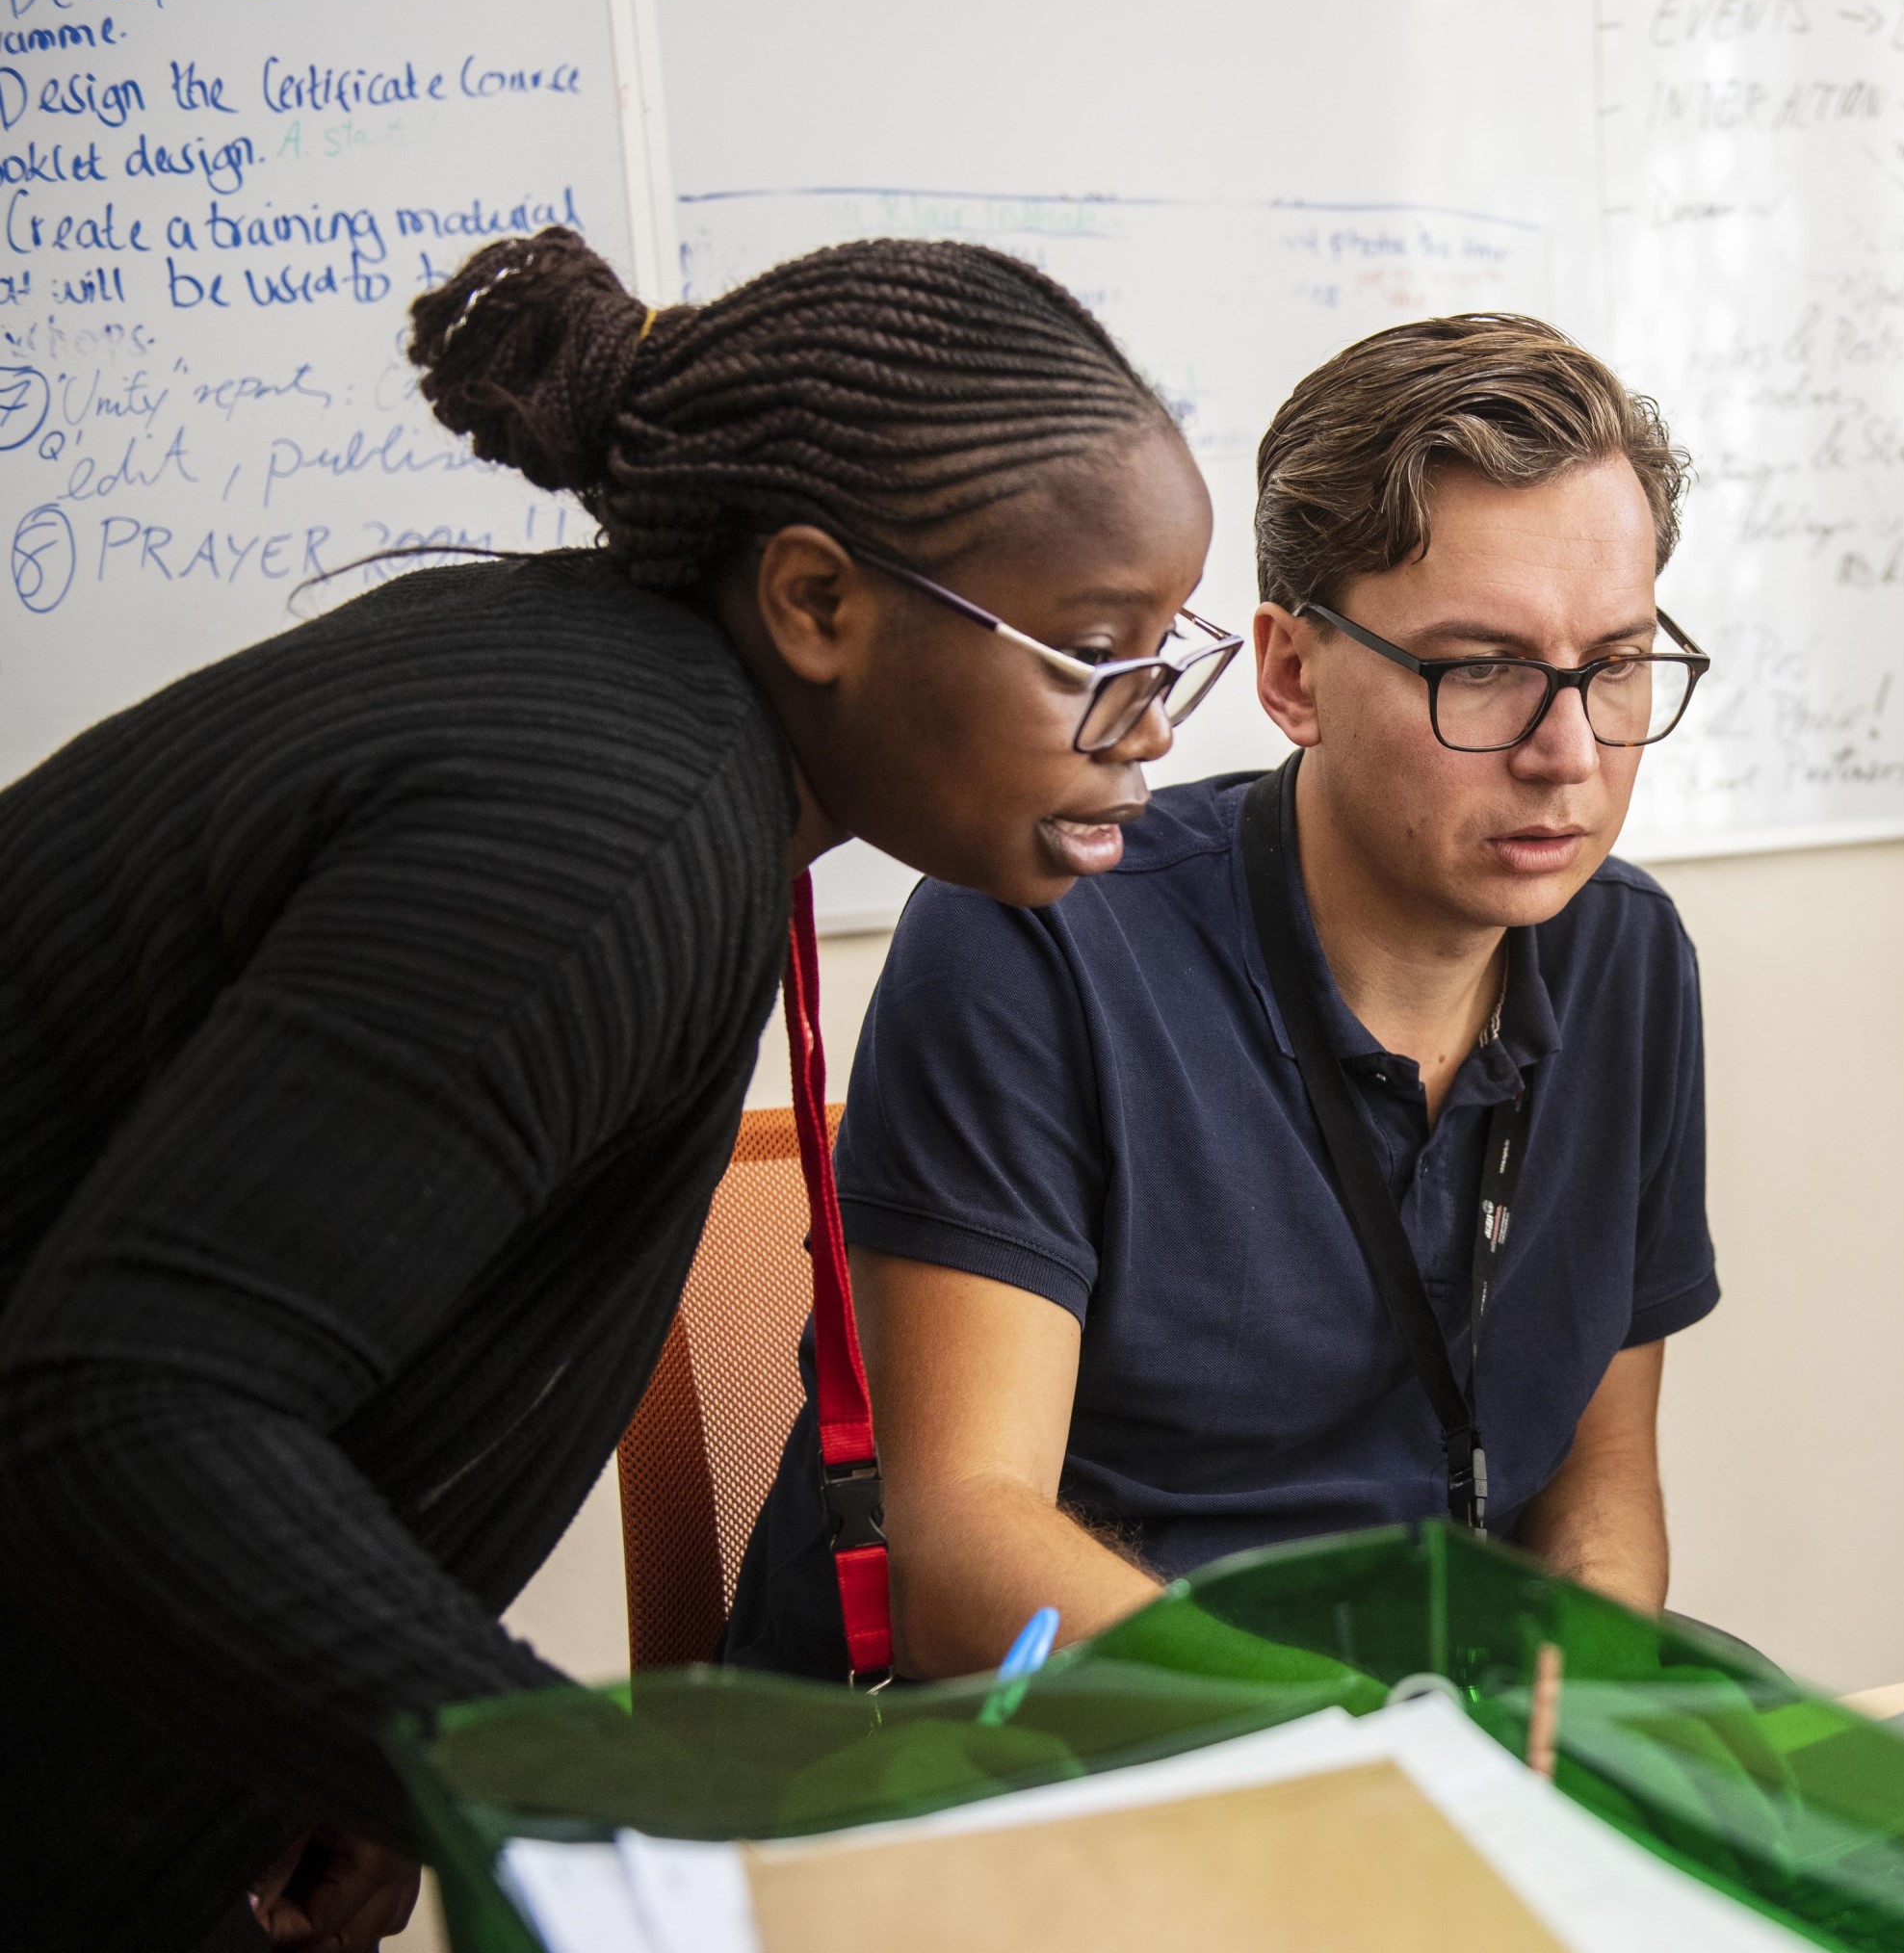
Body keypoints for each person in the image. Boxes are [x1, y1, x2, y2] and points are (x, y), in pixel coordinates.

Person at [0, 227, 1226, 1951]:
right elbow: (126, 1397)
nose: (1150, 722)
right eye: (1097, 651)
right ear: (817, 602)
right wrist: (555, 1784)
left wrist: (338, 1742)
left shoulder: (636, 726)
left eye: (1168, 654)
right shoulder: (606, 834)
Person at [724, 314, 1720, 1680]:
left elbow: (1596, 1491)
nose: (1568, 755)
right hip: (1045, 1754)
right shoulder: (1034, 943)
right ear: (1291, 672)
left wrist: (1583, 1721)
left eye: (1612, 667)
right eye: (1480, 668)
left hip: (1403, 1749)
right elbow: (957, 1544)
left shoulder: (1630, 959)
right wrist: (1357, 1756)